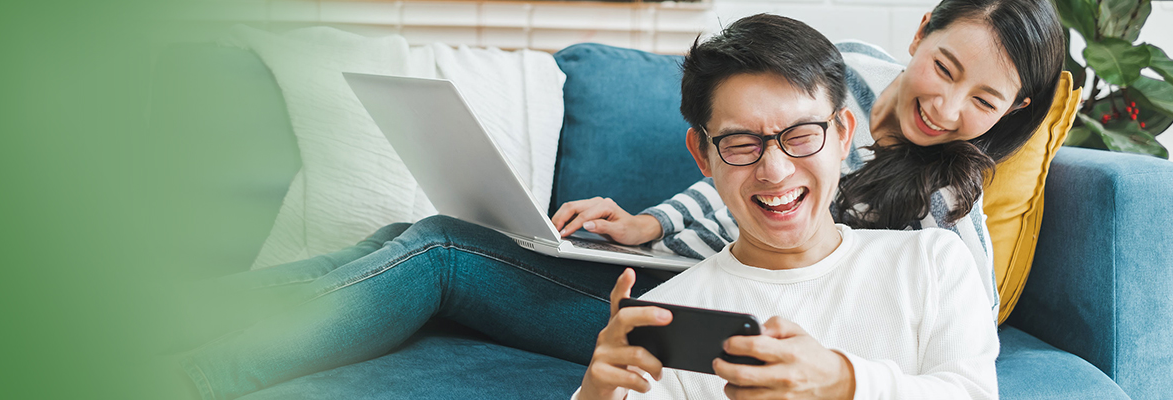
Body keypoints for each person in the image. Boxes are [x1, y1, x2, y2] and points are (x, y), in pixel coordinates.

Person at [176, 1, 1063, 398]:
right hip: (675, 283)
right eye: (945, 69)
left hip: (721, 321)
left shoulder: (944, 210)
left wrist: (844, 375)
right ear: (919, 36)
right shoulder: (828, 84)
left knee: (443, 247)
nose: (947, 108)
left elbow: (963, 342)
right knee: (411, 232)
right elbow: (730, 189)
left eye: (982, 103)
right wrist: (646, 226)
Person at [576, 14, 997, 400]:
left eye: (801, 135)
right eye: (741, 144)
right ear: (702, 155)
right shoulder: (669, 317)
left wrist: (844, 382)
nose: (775, 171)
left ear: (843, 134)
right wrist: (595, 393)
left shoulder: (934, 262)